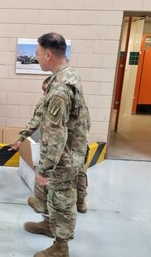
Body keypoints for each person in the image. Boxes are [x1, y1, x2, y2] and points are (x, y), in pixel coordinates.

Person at [23, 33, 91, 257]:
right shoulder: (67, 74)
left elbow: (56, 134)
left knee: (61, 199)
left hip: (63, 156)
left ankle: (61, 247)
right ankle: (48, 224)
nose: (37, 58)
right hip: (69, 151)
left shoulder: (60, 89)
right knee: (51, 193)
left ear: (48, 54)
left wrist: (45, 167)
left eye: (38, 53)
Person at [11, 78, 89, 215]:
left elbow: (36, 121)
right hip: (79, 141)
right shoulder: (76, 97)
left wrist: (21, 137)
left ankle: (44, 204)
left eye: (46, 90)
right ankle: (81, 202)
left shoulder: (52, 99)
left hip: (61, 143)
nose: (45, 94)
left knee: (50, 171)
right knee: (79, 169)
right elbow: (86, 122)